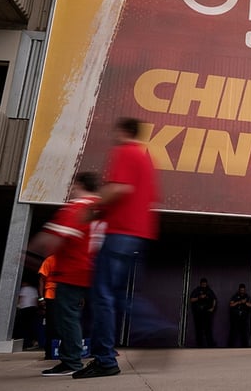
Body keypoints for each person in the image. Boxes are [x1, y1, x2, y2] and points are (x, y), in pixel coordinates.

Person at [73, 117, 160, 380]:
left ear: (123, 131)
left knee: (103, 296)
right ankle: (155, 325)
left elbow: (119, 188)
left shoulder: (124, 152)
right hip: (139, 234)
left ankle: (105, 359)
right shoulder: (146, 160)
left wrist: (93, 209)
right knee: (120, 295)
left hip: (119, 233)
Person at [25, 172, 103, 376]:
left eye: (73, 185)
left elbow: (51, 239)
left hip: (72, 270)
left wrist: (30, 254)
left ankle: (71, 361)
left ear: (79, 185)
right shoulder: (103, 208)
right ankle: (103, 356)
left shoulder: (77, 208)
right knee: (101, 315)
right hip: (97, 269)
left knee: (66, 316)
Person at [38, 254, 58, 360]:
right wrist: (41, 298)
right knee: (51, 326)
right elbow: (41, 279)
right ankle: (50, 352)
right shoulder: (50, 260)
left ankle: (65, 352)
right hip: (51, 296)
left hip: (66, 297)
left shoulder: (70, 260)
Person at [190, 278, 217, 348]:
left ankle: (210, 344)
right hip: (198, 313)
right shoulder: (197, 290)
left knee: (208, 329)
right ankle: (199, 345)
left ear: (206, 283)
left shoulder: (209, 290)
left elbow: (214, 299)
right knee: (199, 329)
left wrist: (212, 308)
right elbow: (191, 299)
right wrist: (199, 298)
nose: (204, 284)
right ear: (200, 283)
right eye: (203, 283)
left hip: (207, 312)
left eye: (205, 283)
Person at [15, 281, 39, 350]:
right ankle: (34, 341)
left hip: (25, 308)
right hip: (33, 308)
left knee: (23, 327)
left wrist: (17, 306)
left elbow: (20, 298)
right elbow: (36, 299)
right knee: (31, 326)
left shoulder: (24, 289)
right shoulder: (34, 289)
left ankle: (26, 343)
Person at [228, 283, 251, 348]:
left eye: (243, 290)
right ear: (239, 290)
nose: (242, 291)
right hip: (235, 317)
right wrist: (239, 302)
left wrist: (245, 302)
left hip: (243, 318)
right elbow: (231, 305)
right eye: (241, 290)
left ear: (244, 290)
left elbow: (250, 305)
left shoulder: (247, 296)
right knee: (233, 332)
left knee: (244, 333)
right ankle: (230, 346)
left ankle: (245, 347)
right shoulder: (235, 296)